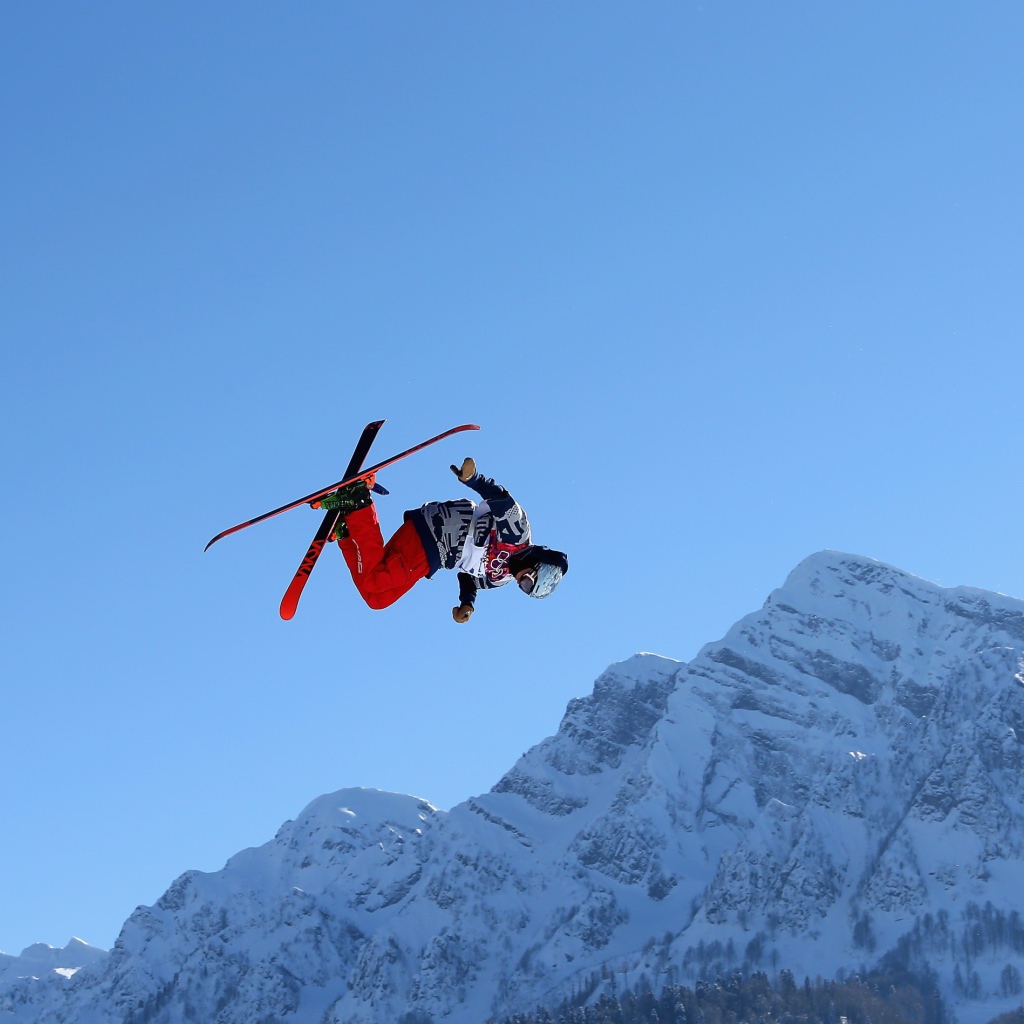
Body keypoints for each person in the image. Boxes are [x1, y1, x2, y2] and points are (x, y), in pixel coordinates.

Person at [320, 458, 568, 622]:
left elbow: (468, 578)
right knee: (376, 579)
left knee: (377, 599)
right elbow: (501, 500)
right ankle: (359, 502)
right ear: (537, 564)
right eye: (526, 581)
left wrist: (467, 603)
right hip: (437, 533)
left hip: (435, 557)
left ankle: (347, 530)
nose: (518, 582)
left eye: (523, 589)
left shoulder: (500, 578)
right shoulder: (517, 533)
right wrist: (474, 479)